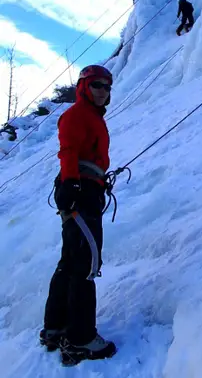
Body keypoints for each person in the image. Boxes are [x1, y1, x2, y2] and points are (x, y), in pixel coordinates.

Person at [40, 64, 117, 366]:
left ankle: (56, 327)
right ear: (84, 86)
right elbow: (68, 150)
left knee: (71, 261)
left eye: (108, 86)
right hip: (80, 194)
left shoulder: (92, 118)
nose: (103, 91)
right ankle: (81, 338)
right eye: (97, 85)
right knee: (86, 263)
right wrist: (72, 184)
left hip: (85, 190)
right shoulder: (77, 115)